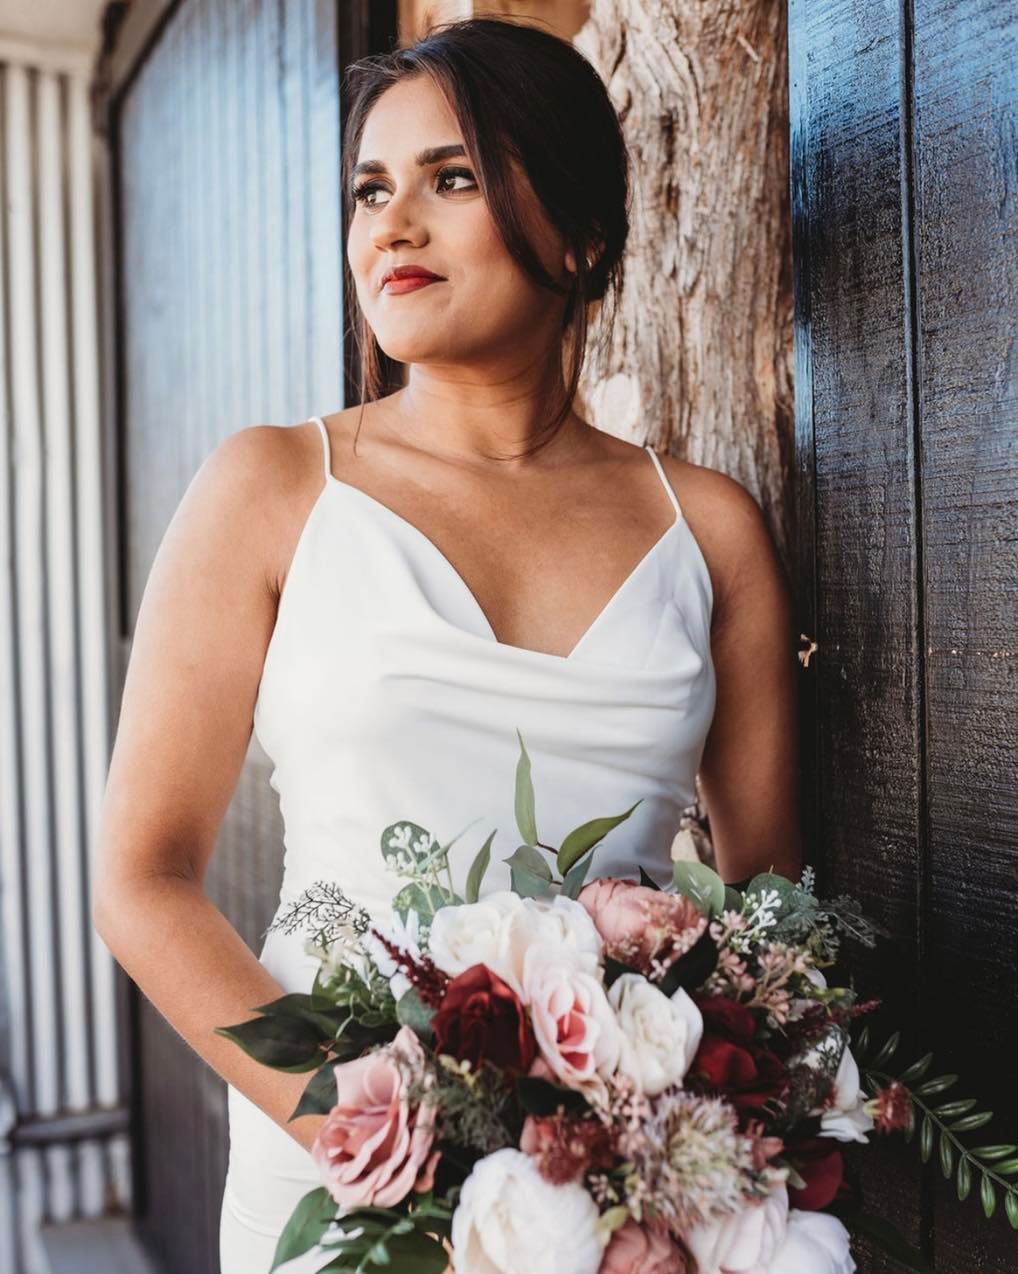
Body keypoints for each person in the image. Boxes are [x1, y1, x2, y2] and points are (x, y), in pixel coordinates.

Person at [91, 17, 802, 1273]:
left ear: (578, 233)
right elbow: (141, 880)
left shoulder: (711, 532)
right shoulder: (270, 487)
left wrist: (657, 1162)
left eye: (451, 177)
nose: (391, 223)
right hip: (340, 1184)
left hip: (612, 1207)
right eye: (372, 187)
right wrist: (385, 1133)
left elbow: (768, 924)